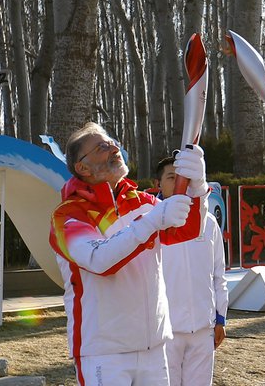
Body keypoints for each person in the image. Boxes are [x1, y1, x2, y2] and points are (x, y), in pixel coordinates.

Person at [49, 122, 210, 386]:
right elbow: (99, 261)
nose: (113, 147)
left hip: (155, 346)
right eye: (101, 147)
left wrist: (198, 188)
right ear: (82, 167)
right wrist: (151, 221)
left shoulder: (143, 202)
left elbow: (187, 230)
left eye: (111, 141)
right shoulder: (69, 216)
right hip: (104, 351)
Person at [155, 154, 228, 386]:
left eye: (184, 178)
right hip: (165, 331)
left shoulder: (208, 222)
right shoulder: (150, 221)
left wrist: (220, 319)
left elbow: (218, 274)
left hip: (203, 329)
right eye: (171, 178)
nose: (180, 183)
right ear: (158, 184)